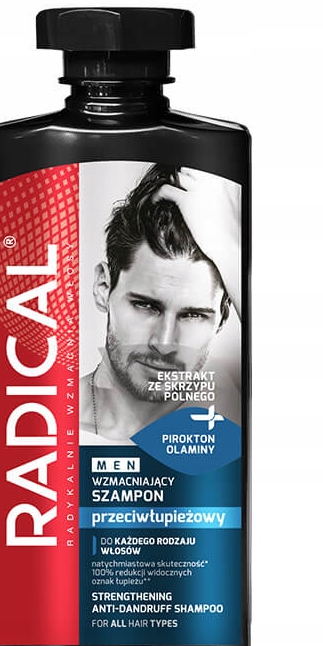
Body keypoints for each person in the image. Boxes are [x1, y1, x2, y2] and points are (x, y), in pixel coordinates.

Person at [80, 164, 241, 443]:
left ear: (223, 316)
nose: (164, 343)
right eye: (146, 306)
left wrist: (230, 253)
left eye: (193, 315)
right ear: (103, 287)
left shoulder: (236, 419)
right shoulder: (43, 425)